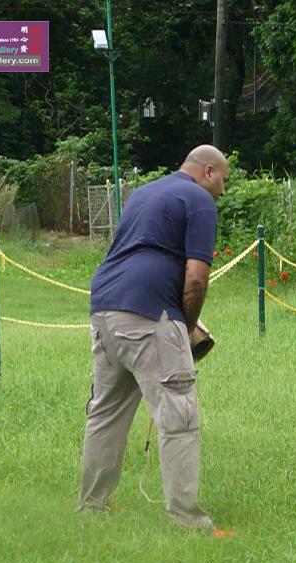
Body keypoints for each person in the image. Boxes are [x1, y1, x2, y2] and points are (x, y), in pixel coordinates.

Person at [78, 145, 233, 537]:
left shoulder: (144, 193)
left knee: (105, 413)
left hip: (105, 306)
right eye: (224, 182)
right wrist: (185, 328)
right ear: (209, 172)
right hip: (150, 315)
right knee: (179, 416)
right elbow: (196, 278)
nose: (223, 192)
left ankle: (92, 509)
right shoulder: (199, 200)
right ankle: (189, 523)